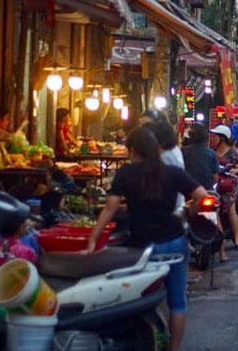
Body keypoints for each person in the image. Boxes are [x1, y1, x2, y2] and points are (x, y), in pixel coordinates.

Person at [85, 127, 205, 351]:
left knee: (136, 299)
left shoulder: (126, 174)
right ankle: (173, 348)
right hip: (175, 242)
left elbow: (110, 208)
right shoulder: (172, 172)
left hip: (142, 248)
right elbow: (204, 196)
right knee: (177, 301)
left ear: (133, 150)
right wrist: (189, 212)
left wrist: (93, 240)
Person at [211, 125, 238, 253]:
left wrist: (235, 170)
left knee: (231, 210)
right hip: (215, 184)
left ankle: (237, 238)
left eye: (215, 136)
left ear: (222, 138)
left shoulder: (233, 152)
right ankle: (220, 245)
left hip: (229, 184)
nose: (213, 138)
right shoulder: (212, 152)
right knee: (215, 212)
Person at [0, 215, 37, 286]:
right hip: (9, 290)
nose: (26, 228)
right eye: (25, 226)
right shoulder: (27, 252)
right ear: (19, 228)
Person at [181, 123, 220, 188]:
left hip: (187, 189)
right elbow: (215, 179)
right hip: (206, 190)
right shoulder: (212, 153)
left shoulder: (182, 152)